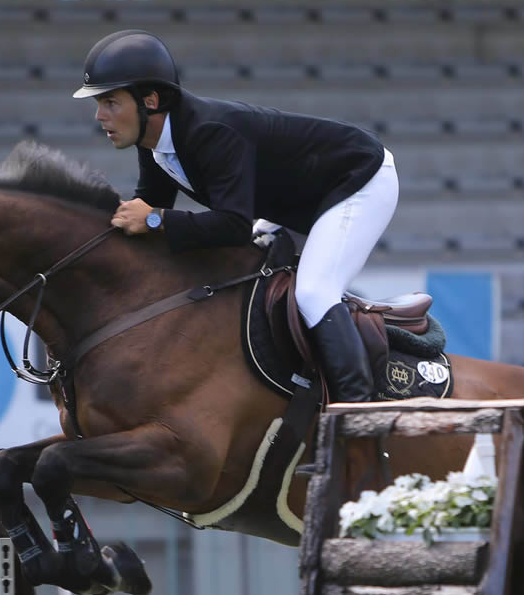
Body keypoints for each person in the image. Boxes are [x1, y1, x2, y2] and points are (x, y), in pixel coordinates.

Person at [73, 29, 399, 403]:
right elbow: (148, 207)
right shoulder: (155, 142)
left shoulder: (211, 132)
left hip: (359, 177)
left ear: (150, 100)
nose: (100, 116)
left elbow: (231, 225)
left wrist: (154, 220)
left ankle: (358, 414)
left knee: (314, 291)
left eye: (110, 102)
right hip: (289, 200)